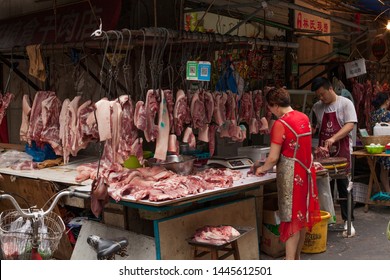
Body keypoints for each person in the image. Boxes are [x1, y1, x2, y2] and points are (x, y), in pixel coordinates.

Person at [250, 87, 321, 260]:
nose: (271, 112)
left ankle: (289, 263)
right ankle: (296, 258)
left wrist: (261, 169)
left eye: (270, 107)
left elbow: (273, 158)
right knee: (301, 217)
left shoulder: (280, 124)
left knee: (290, 219)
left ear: (274, 105)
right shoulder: (303, 117)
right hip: (306, 172)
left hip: (291, 175)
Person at [310, 77, 357, 236]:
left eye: (323, 94)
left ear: (330, 88)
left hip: (342, 151)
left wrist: (333, 138)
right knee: (324, 187)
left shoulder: (345, 103)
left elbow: (350, 124)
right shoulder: (317, 107)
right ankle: (327, 220)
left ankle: (347, 222)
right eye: (318, 96)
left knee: (344, 186)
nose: (321, 98)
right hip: (324, 152)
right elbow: (314, 126)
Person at [370, 92, 390, 193]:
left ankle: (388, 194)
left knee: (384, 173)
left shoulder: (373, 114)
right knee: (385, 173)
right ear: (386, 101)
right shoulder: (388, 114)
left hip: (378, 146)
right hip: (388, 146)